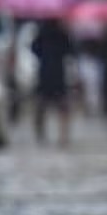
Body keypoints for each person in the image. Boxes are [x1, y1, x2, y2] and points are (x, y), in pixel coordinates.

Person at [30, 17, 77, 146]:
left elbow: (34, 50)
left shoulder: (41, 33)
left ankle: (41, 134)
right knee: (61, 106)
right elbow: (70, 51)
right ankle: (63, 136)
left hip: (44, 73)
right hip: (58, 74)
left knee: (41, 106)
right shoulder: (62, 34)